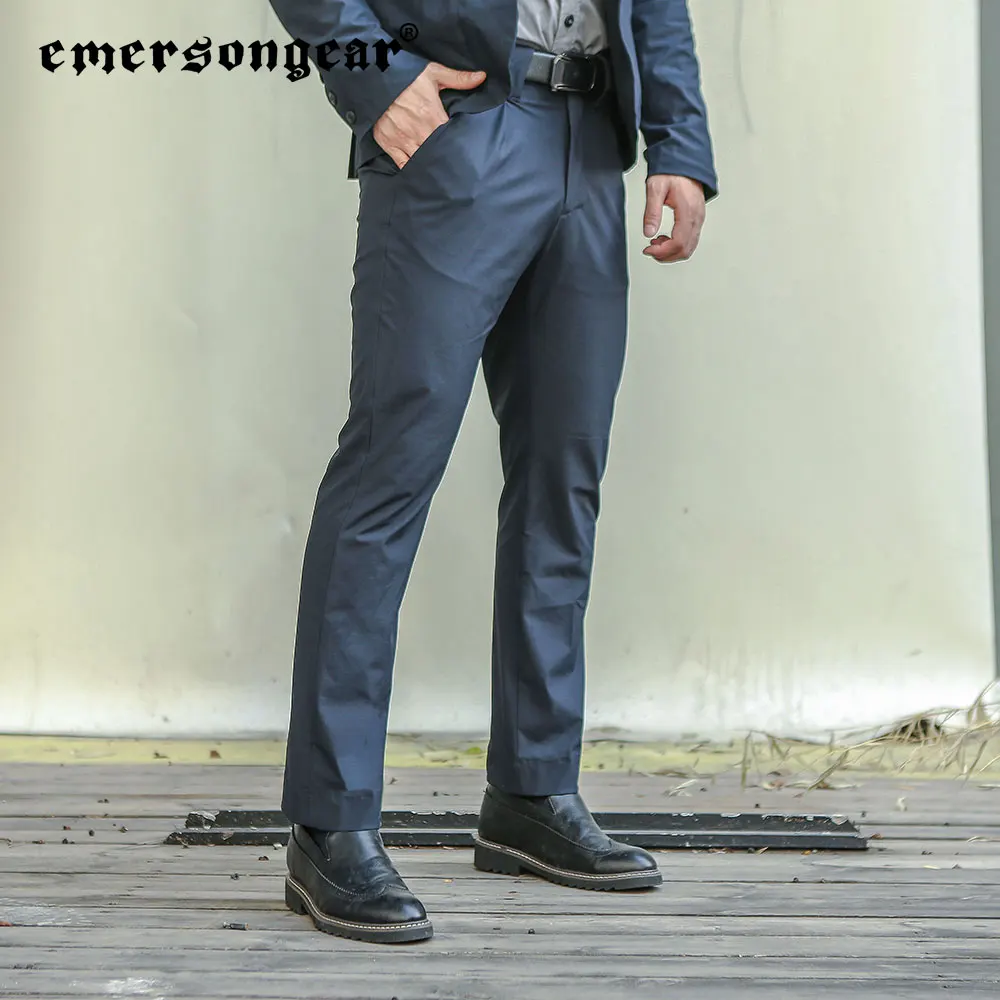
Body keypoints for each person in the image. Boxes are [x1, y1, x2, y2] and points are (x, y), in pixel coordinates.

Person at [267, 0, 717, 944]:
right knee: (388, 474)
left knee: (563, 480)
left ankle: (532, 792)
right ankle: (329, 822)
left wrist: (679, 139)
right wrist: (376, 75)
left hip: (589, 145)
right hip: (460, 130)